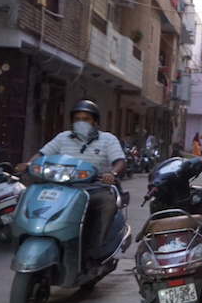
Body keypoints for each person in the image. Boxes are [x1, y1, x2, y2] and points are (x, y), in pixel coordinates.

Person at [25, 100, 126, 266]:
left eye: (86, 119)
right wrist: (30, 163)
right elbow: (42, 154)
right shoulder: (62, 138)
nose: (81, 122)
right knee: (28, 196)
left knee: (107, 204)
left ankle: (92, 254)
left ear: (96, 122)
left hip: (93, 189)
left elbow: (120, 162)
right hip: (61, 188)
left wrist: (112, 174)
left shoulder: (108, 139)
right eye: (77, 119)